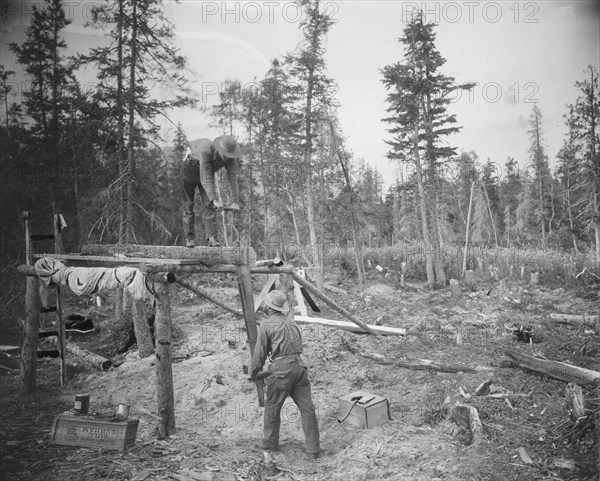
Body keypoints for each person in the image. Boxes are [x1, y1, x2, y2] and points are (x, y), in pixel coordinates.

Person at [249, 290, 321, 459]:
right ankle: (313, 450)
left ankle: (270, 444)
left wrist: (254, 372)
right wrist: (268, 371)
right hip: (299, 367)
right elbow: (290, 354)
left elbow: (260, 354)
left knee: (272, 407)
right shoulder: (292, 323)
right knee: (307, 409)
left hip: (282, 369)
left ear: (268, 306)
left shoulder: (266, 325)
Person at [181, 135, 242, 248]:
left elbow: (232, 177)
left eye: (229, 156)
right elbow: (206, 177)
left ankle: (212, 239)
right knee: (189, 206)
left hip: (206, 175)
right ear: (219, 149)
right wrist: (214, 199)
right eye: (225, 155)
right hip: (190, 170)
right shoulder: (207, 151)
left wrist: (235, 201)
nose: (227, 158)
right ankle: (189, 239)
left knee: (210, 206)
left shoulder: (230, 157)